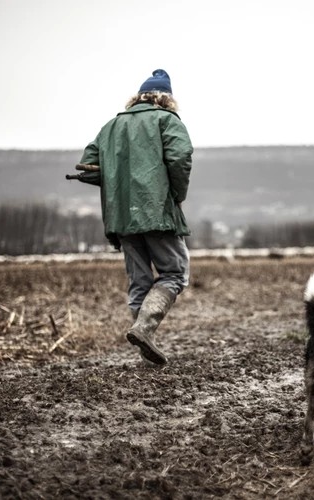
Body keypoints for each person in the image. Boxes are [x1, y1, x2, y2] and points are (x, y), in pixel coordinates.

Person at [78, 69, 193, 366]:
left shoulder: (110, 127)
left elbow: (88, 166)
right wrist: (177, 195)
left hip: (121, 217)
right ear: (165, 98)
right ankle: (144, 329)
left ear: (138, 97)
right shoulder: (167, 121)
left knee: (139, 280)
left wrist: (118, 180)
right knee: (175, 273)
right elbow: (180, 159)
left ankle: (144, 345)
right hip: (156, 211)